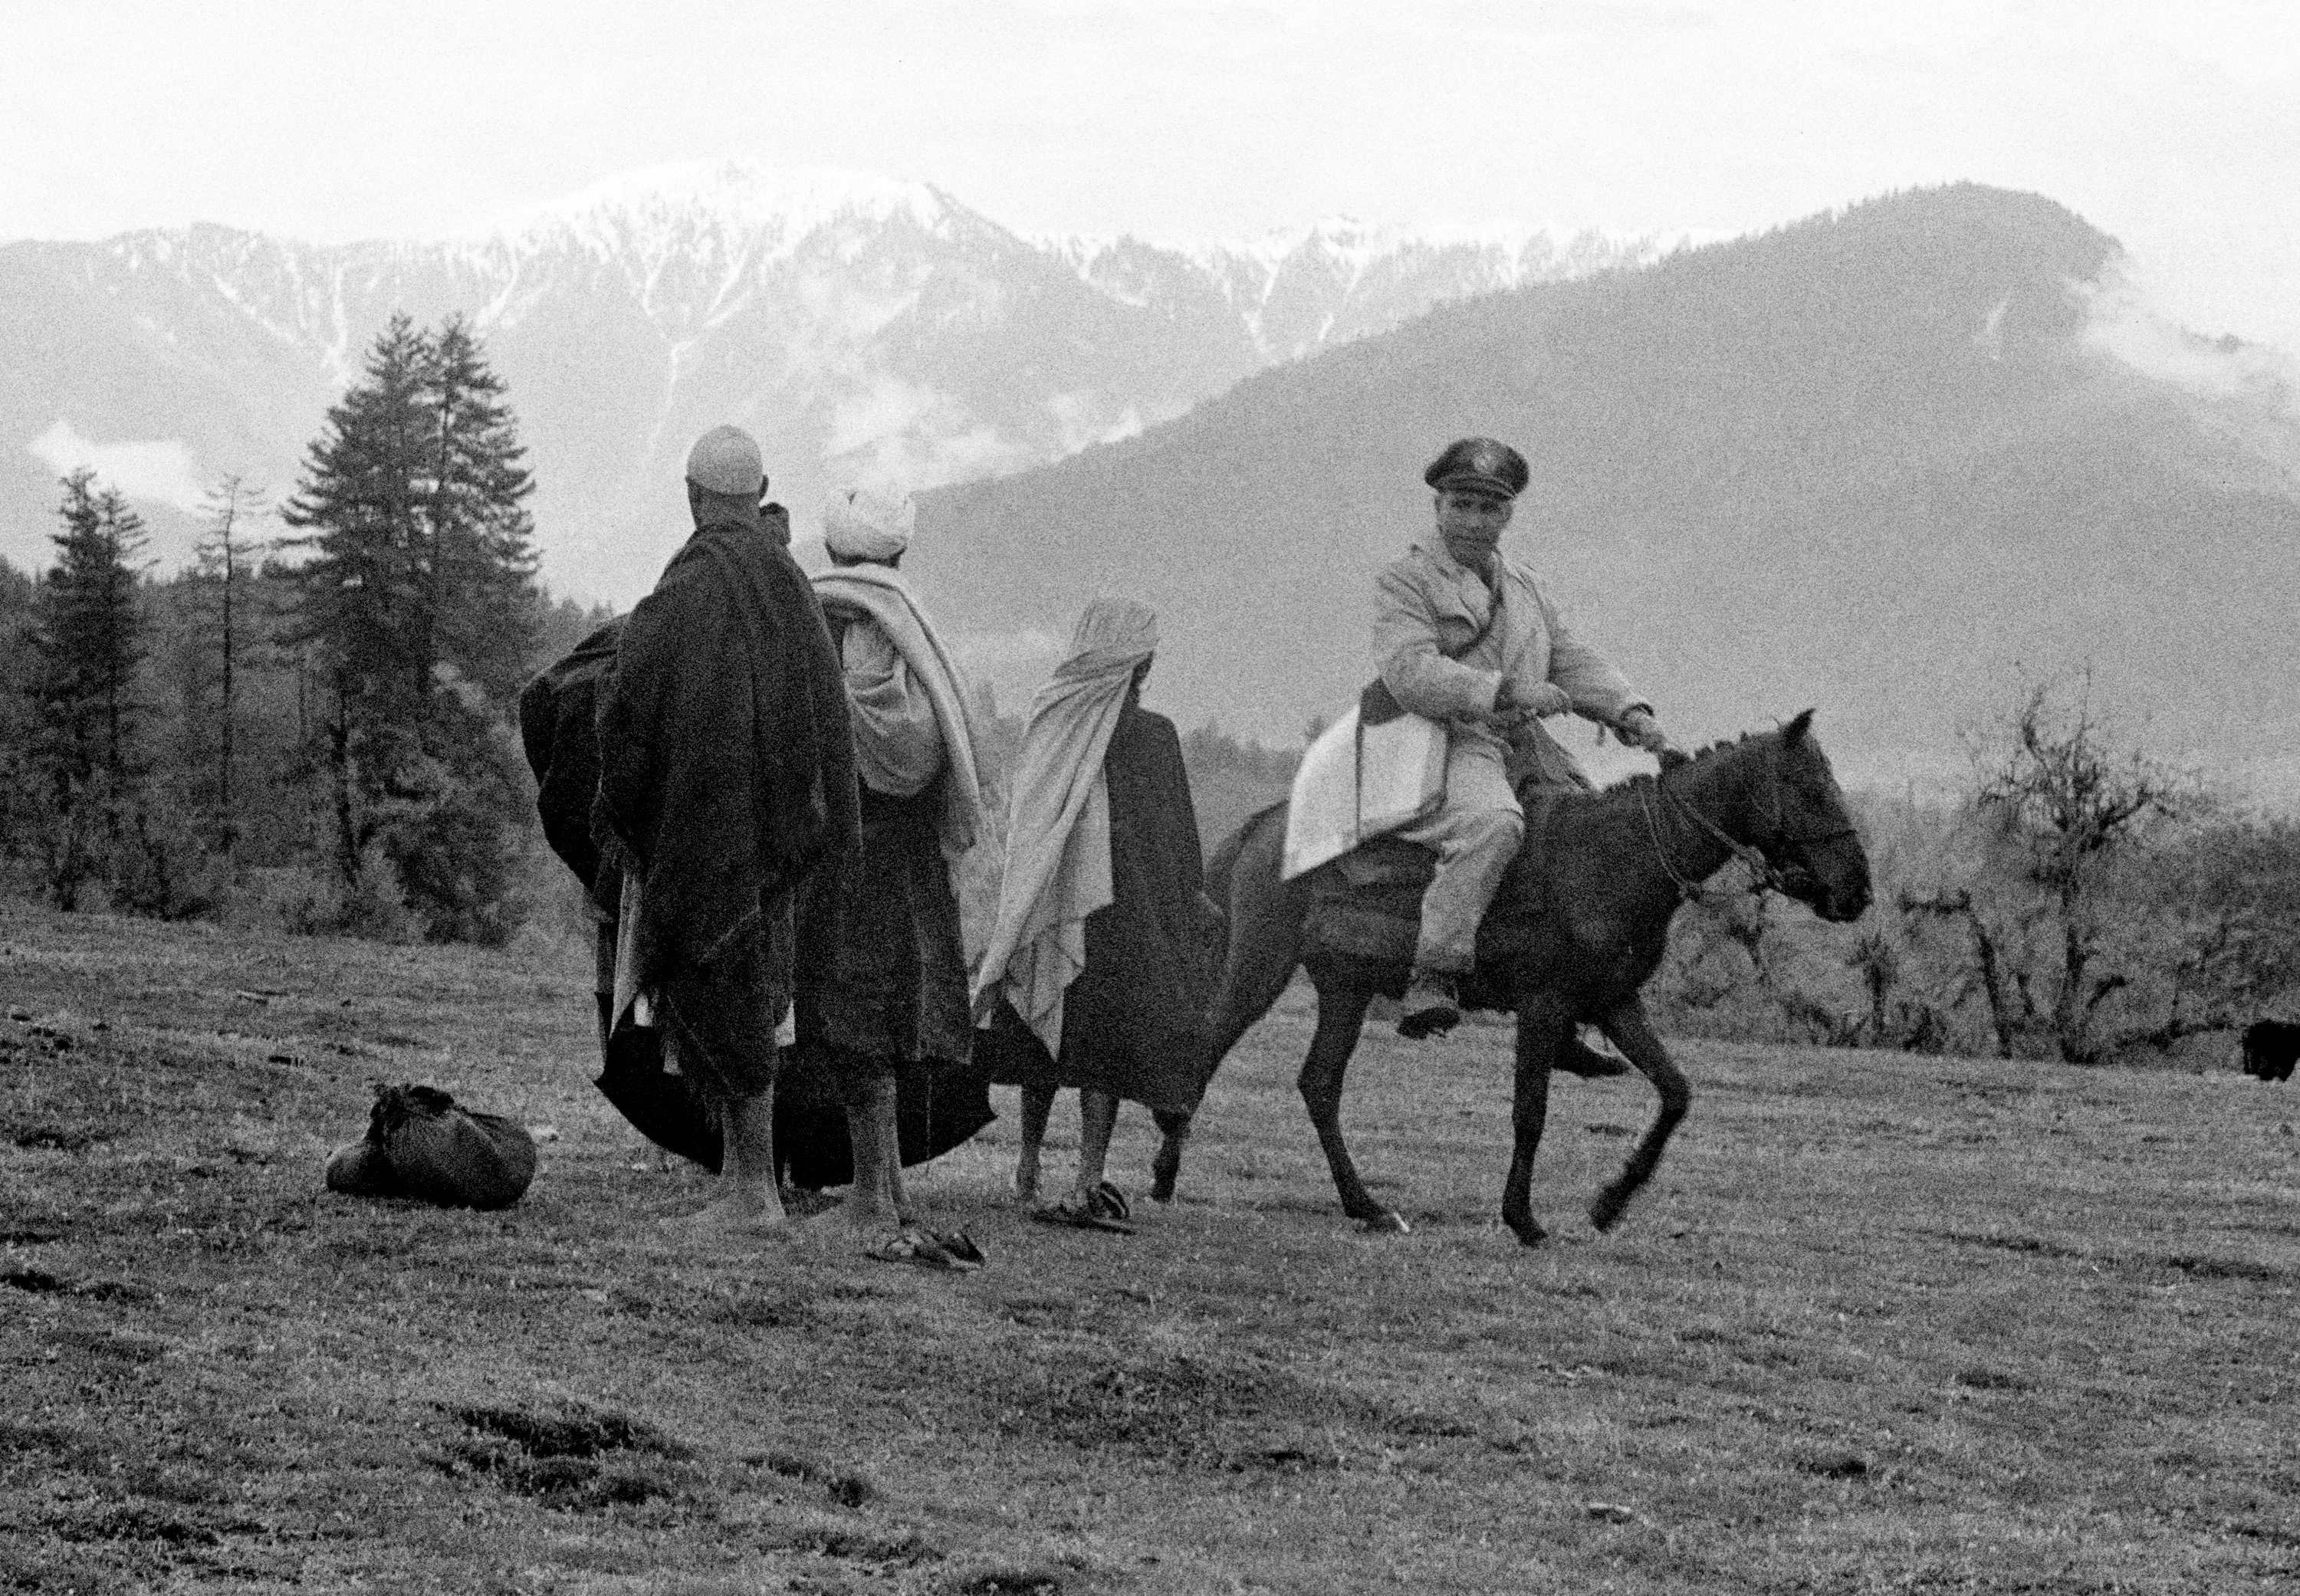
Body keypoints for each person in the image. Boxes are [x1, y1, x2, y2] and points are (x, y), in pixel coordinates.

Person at [593, 424, 859, 1236]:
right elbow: (829, 714)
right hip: (781, 839)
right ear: (761, 490)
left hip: (705, 835)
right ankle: (750, 1181)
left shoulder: (689, 585)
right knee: (759, 997)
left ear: (691, 496)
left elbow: (629, 703)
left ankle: (753, 1194)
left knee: (726, 993)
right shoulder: (792, 585)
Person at [1377, 437, 1674, 1039]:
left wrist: (1628, 709)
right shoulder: (1406, 581)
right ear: (1438, 507)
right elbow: (1410, 672)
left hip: (1525, 746)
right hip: (1451, 739)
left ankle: (1561, 1007)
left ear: (1508, 514)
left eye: (1489, 508)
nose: (1474, 521)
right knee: (1494, 825)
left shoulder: (1525, 585)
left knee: (1593, 833)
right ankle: (1434, 973)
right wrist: (1508, 690)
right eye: (1461, 505)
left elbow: (1568, 656)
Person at [786, 487, 994, 1261]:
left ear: (832, 549)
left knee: (851, 1017)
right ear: (899, 552)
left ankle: (873, 1198)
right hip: (913, 856)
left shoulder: (819, 619)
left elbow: (806, 736)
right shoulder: (918, 628)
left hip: (846, 850)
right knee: (892, 1013)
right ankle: (892, 1190)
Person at [971, 598, 1221, 1227]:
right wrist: (1184, 899)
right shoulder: (1149, 735)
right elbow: (1178, 839)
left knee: (1052, 1036)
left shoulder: (1055, 717)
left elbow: (1030, 820)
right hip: (1116, 913)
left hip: (1058, 904)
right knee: (1096, 1048)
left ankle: (1034, 1167)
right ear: (1137, 665)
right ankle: (1079, 1173)